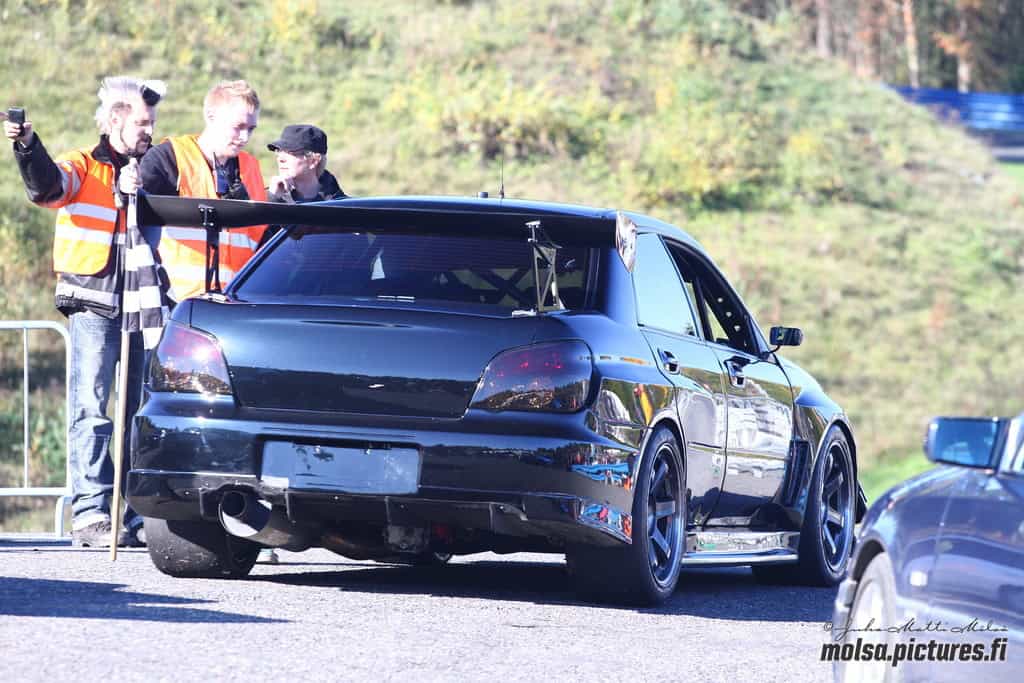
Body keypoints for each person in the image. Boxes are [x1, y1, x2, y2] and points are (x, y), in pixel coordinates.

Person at [4, 76, 165, 547]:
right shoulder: (83, 164)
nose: (149, 130)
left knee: (139, 412)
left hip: (141, 303)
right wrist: (28, 146)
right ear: (115, 119)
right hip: (93, 300)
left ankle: (135, 513)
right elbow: (47, 188)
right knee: (92, 410)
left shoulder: (154, 168)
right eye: (142, 122)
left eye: (152, 122)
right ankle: (92, 513)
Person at [139, 80, 268, 300]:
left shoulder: (251, 167)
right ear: (211, 116)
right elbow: (135, 225)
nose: (245, 137)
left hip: (238, 301)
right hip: (178, 302)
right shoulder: (168, 159)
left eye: (251, 129)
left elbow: (262, 239)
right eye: (238, 127)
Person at [259, 124, 348, 250]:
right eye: (279, 151)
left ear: (313, 161)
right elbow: (258, 249)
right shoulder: (262, 199)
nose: (280, 159)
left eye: (290, 152)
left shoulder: (343, 210)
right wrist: (272, 200)